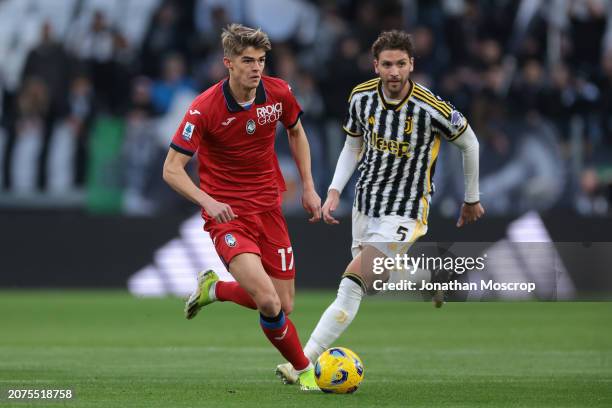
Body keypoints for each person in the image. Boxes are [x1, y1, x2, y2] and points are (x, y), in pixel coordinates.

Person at [275, 30, 485, 384]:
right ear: (376, 65)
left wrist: (472, 198)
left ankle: (302, 364)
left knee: (353, 283)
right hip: (366, 203)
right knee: (375, 281)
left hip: (406, 210)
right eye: (387, 64)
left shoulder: (430, 107)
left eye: (401, 64)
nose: (394, 72)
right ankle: (430, 276)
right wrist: (334, 190)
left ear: (411, 65)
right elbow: (353, 145)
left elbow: (470, 143)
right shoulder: (360, 98)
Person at [162, 24, 322, 391]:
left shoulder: (278, 93)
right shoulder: (204, 109)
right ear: (228, 64)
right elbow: (171, 169)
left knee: (284, 304)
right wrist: (208, 201)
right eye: (247, 61)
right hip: (229, 218)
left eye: (261, 60)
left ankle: (214, 289)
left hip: (269, 210)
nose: (256, 68)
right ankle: (306, 372)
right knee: (267, 301)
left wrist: (309, 187)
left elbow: (297, 132)